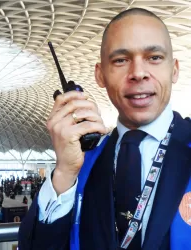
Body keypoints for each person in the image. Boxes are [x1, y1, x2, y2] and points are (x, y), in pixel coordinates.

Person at [18, 7, 191, 250]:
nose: (138, 73)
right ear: (100, 75)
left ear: (174, 70)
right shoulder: (85, 161)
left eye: (154, 57)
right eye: (121, 60)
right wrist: (64, 174)